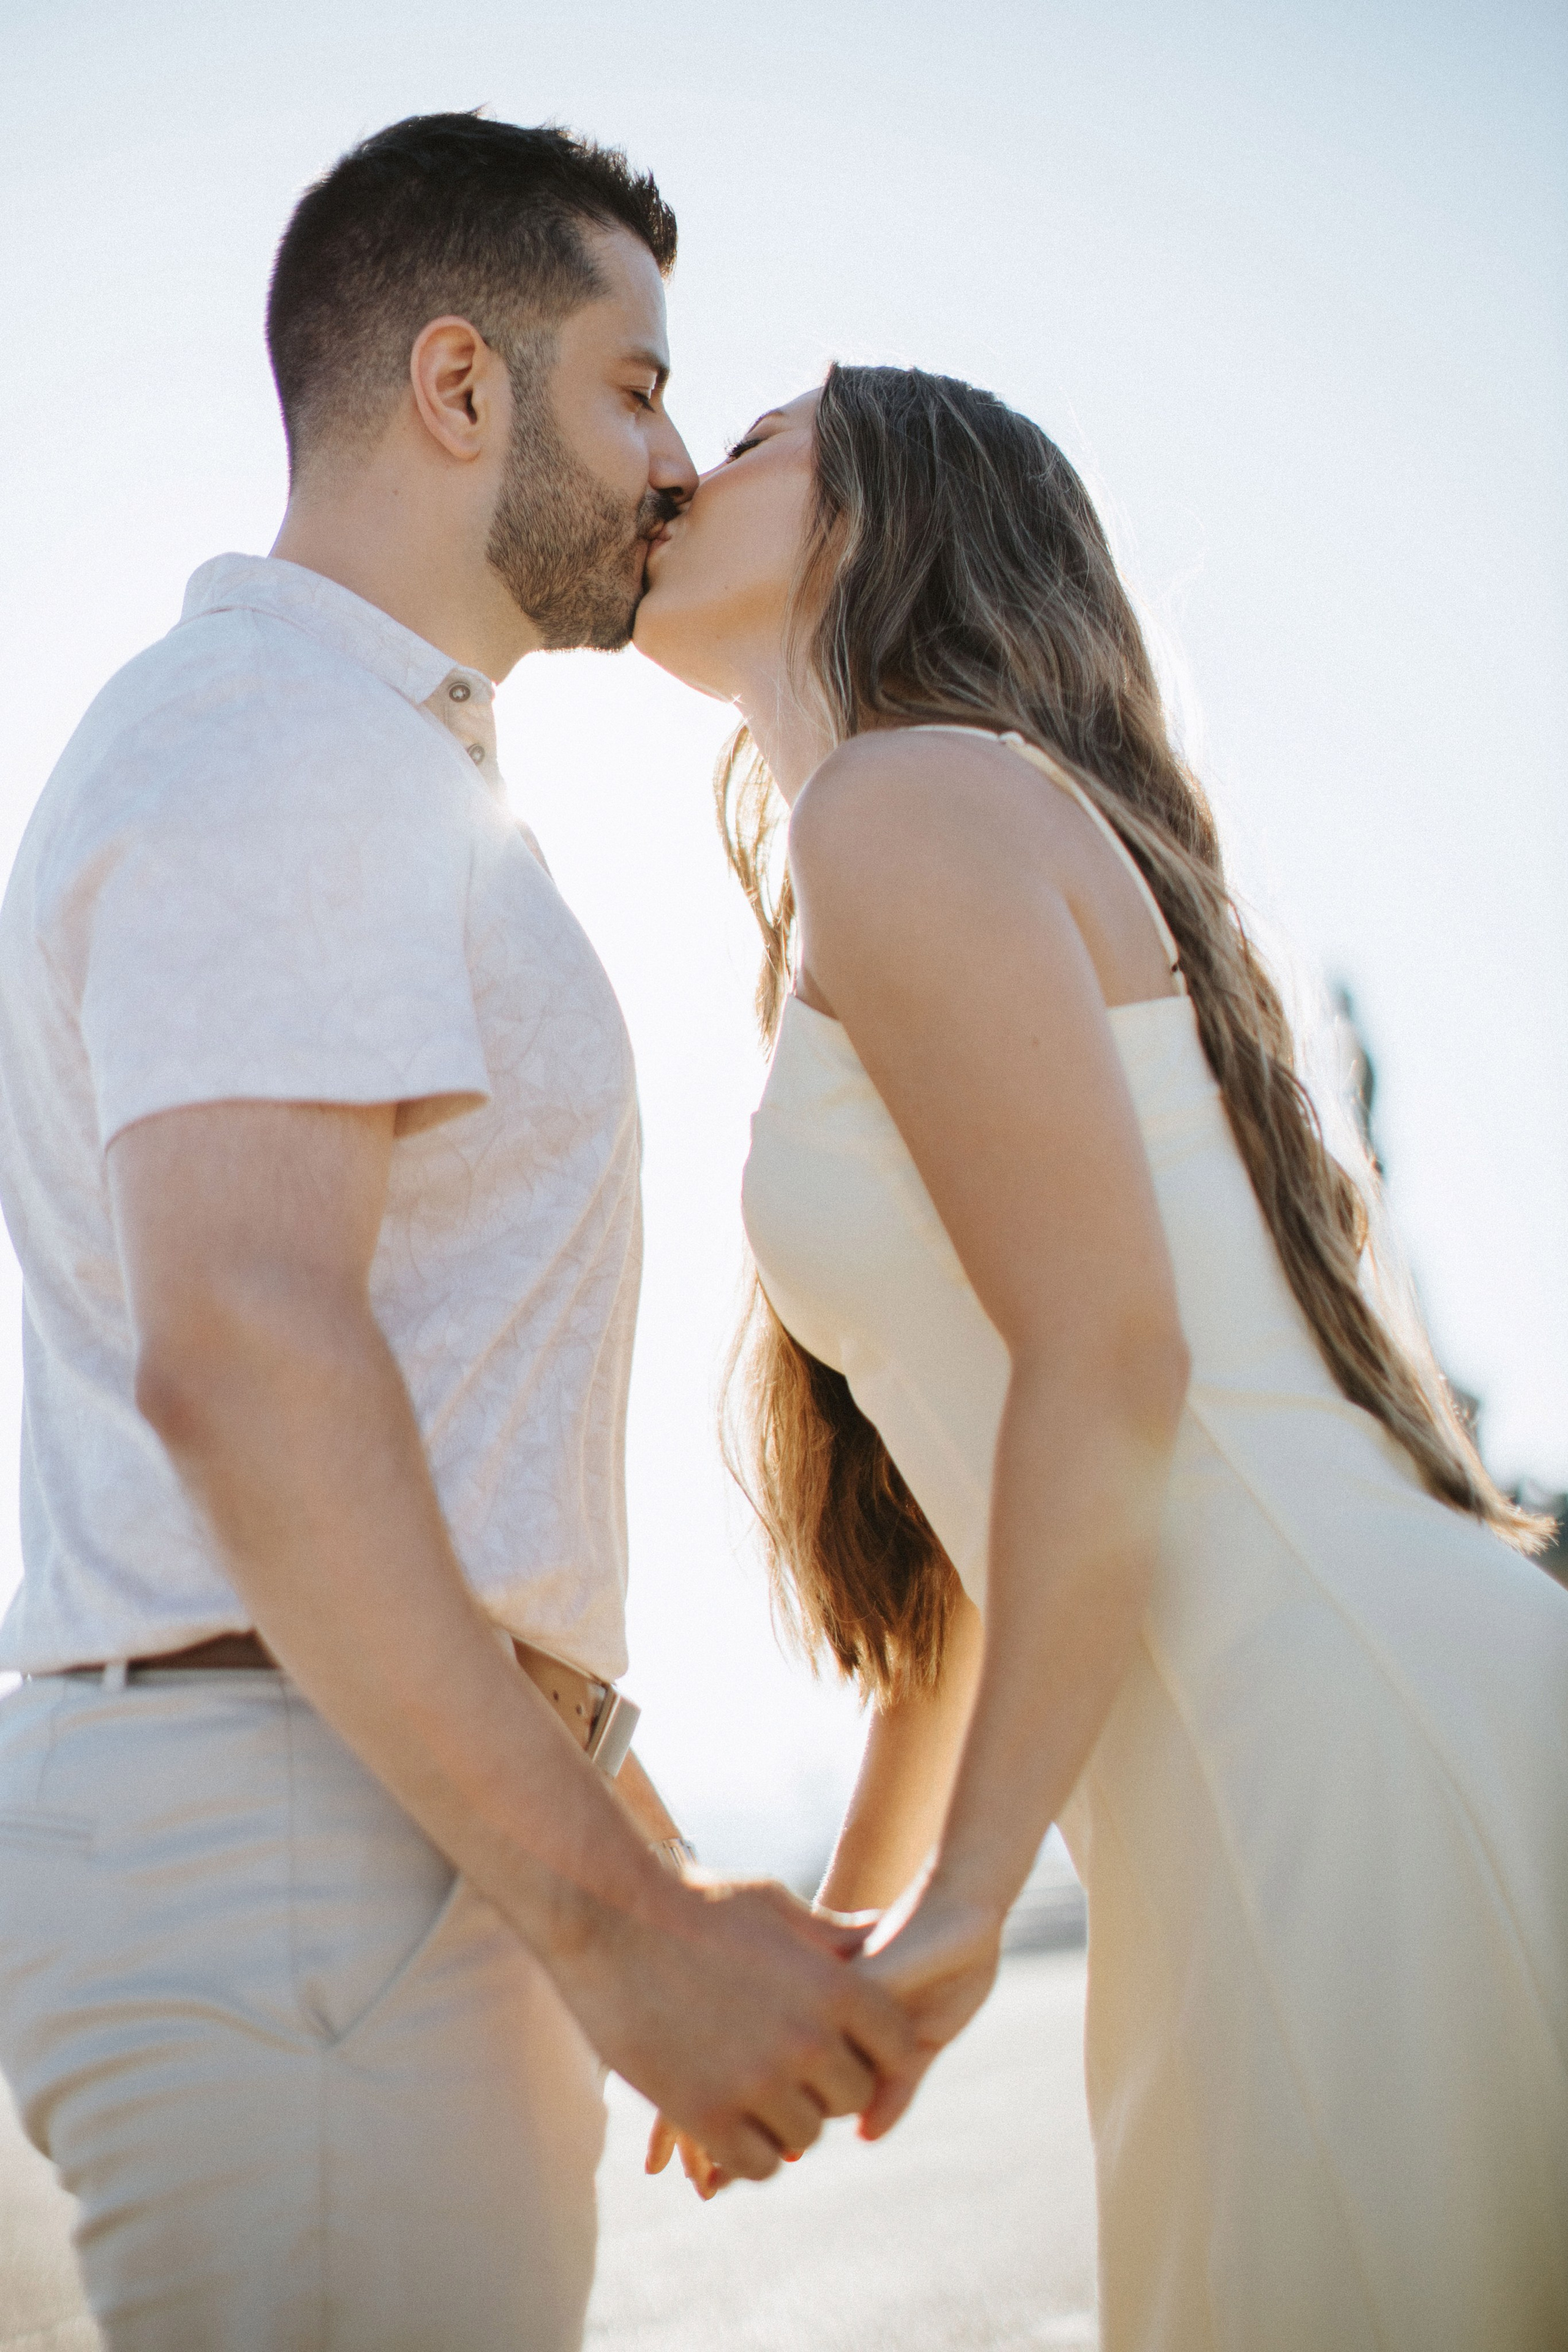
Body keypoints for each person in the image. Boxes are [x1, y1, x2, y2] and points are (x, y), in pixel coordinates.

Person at [0, 124, 911, 2352]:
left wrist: (651, 1887)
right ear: (457, 385)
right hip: (300, 1858)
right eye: (634, 386)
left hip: (371, 1849)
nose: (678, 459)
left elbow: (446, 1453)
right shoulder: (277, 739)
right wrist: (625, 1940)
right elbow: (249, 1358)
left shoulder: (371, 761)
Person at [632, 366, 1568, 2350]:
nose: (688, 463)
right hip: (1309, 1729)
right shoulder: (919, 827)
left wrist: (970, 1908)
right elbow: (995, 1524)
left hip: (1310, 1735)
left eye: (757, 438)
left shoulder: (910, 801)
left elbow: (1112, 1366)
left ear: (884, 515)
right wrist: (843, 1939)